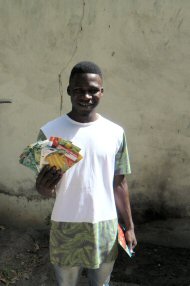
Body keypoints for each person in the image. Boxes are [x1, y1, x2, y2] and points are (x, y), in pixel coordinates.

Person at [36, 61, 137, 286]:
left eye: (93, 90)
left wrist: (129, 227)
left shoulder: (115, 133)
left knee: (101, 284)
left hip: (105, 225)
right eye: (79, 90)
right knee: (66, 283)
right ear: (69, 91)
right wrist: (42, 188)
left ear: (102, 92)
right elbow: (45, 187)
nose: (86, 96)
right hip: (65, 225)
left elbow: (119, 184)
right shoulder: (49, 132)